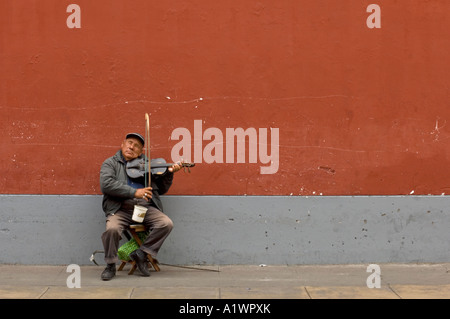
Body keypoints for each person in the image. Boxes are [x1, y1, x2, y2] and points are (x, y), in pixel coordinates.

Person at [99, 132, 182, 281]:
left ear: (141, 151)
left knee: (166, 223)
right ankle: (110, 265)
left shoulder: (147, 165)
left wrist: (169, 174)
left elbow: (161, 190)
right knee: (112, 229)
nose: (132, 147)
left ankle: (142, 254)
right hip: (120, 208)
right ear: (122, 144)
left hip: (144, 209)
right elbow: (106, 185)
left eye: (137, 146)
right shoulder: (110, 163)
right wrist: (134, 192)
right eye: (130, 143)